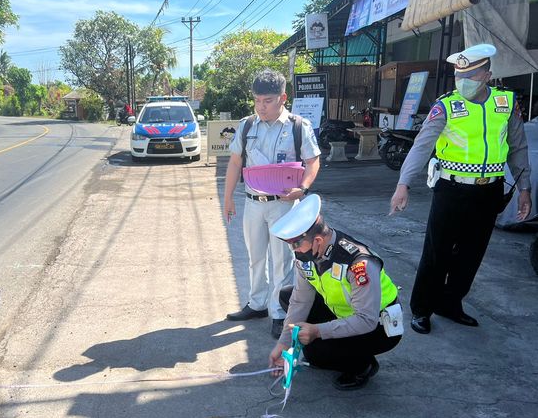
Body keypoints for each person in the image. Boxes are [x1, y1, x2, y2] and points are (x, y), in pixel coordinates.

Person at [389, 44, 533, 334]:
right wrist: (403, 183)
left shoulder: (505, 104)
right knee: (437, 252)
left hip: (489, 191)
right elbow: (422, 146)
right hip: (451, 190)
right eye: (458, 75)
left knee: (471, 254)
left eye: (470, 74)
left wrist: (525, 188)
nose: (462, 81)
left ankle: (450, 304)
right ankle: (422, 309)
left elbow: (518, 147)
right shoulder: (446, 105)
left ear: (487, 76)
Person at [223, 69, 322, 339]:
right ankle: (256, 304)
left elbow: (313, 162)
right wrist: (229, 197)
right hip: (253, 203)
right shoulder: (246, 126)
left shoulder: (298, 126)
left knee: (282, 260)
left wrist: (303, 188)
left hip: (284, 205)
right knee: (255, 256)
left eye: (267, 101)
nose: (261, 107)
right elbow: (234, 162)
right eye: (256, 100)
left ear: (282, 98)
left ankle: (279, 311)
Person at [268, 195, 403, 390]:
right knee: (288, 296)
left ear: (318, 240)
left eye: (296, 244)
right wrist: (284, 343)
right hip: (344, 312)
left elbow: (366, 319)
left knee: (318, 353)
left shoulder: (358, 264)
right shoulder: (308, 256)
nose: (294, 250)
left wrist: (318, 331)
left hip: (379, 327)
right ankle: (336, 347)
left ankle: (363, 365)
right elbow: (300, 301)